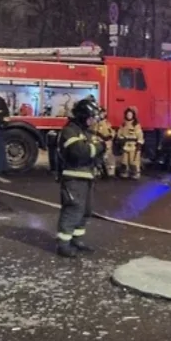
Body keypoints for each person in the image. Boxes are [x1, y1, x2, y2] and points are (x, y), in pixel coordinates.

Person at [56, 97, 103, 258]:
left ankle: (76, 239)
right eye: (90, 117)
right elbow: (79, 152)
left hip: (86, 176)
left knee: (85, 210)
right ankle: (63, 244)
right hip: (73, 177)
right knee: (73, 209)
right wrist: (98, 147)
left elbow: (91, 151)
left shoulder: (84, 131)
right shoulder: (70, 131)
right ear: (83, 116)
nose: (92, 121)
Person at [116, 106, 144, 179]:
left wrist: (139, 144)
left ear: (133, 115)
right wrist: (120, 140)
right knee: (124, 161)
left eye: (130, 115)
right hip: (125, 146)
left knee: (133, 161)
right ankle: (124, 173)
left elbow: (140, 135)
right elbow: (119, 133)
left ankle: (135, 174)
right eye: (128, 114)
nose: (129, 116)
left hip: (133, 146)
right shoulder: (123, 124)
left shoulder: (136, 125)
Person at [92, 109, 116, 178]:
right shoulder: (95, 124)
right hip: (98, 143)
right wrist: (97, 137)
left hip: (107, 144)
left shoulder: (107, 124)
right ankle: (98, 172)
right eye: (100, 114)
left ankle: (110, 173)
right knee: (97, 158)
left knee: (108, 158)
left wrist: (109, 137)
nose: (101, 115)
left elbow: (112, 132)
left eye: (103, 114)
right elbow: (93, 133)